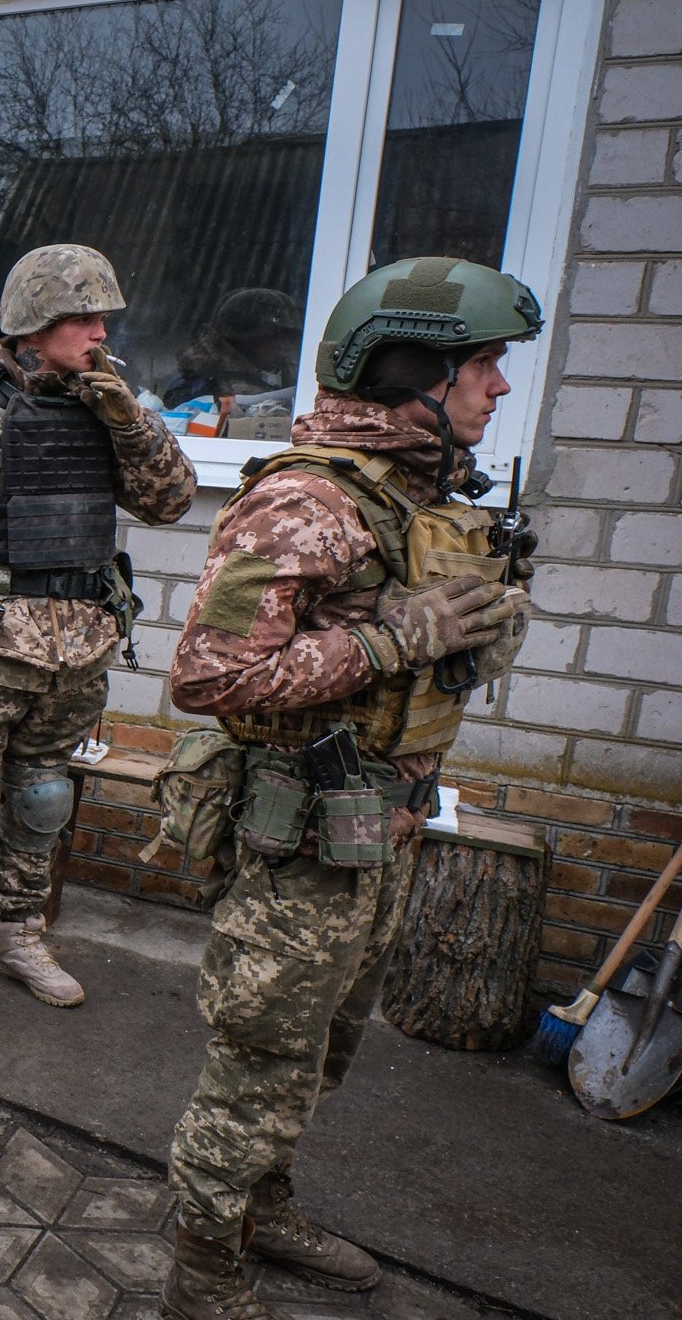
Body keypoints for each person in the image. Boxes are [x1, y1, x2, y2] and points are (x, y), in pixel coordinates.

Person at [160, 256, 540, 1318]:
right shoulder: (304, 501)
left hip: (380, 827)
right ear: (411, 371)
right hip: (301, 835)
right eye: (481, 367)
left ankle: (258, 1206)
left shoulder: (417, 498)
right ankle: (200, 1268)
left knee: (321, 1049)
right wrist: (388, 639)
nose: (497, 389)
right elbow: (206, 675)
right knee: (258, 1058)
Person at [0, 244, 197, 1035]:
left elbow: (171, 501)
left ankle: (19, 936)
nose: (99, 332)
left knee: (43, 799)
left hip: (80, 648)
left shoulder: (108, 403)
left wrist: (128, 418)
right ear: (35, 323)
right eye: (84, 318)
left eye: (102, 318)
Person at [160, 287, 303, 409]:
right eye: (278, 337)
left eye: (290, 338)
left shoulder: (272, 374)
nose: (287, 346)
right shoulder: (203, 388)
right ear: (250, 340)